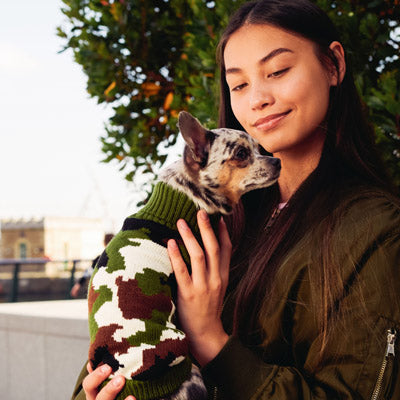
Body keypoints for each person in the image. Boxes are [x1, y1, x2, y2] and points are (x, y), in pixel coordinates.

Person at [71, 1, 400, 399]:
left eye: (277, 71)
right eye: (239, 84)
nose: (257, 99)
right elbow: (122, 330)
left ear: (333, 65)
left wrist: (210, 339)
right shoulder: (205, 217)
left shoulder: (376, 229)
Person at [70, 233, 114, 298]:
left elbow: (88, 272)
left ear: (104, 243)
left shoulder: (99, 259)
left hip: (102, 291)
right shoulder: (120, 258)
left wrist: (78, 285)